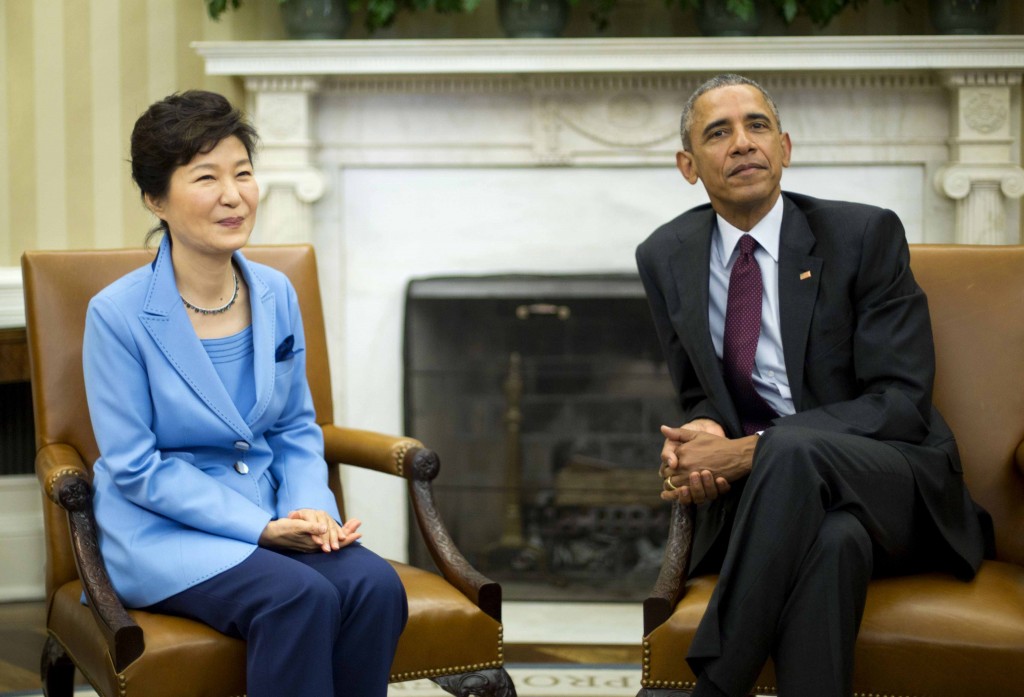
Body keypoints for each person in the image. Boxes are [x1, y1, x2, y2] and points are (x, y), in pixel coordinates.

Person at [636, 74, 992, 697]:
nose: (743, 144)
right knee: (834, 542)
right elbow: (696, 389)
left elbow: (901, 402)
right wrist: (701, 430)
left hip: (896, 483)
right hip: (787, 507)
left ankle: (718, 683)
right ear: (688, 166)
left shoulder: (863, 237)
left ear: (786, 148)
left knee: (792, 447)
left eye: (758, 126)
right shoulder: (665, 255)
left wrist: (752, 449)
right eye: (719, 133)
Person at [82, 90, 408, 697]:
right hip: (162, 532)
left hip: (275, 514)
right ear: (156, 199)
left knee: (375, 585)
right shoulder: (117, 315)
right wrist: (260, 527)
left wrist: (311, 507)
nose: (234, 195)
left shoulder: (277, 293)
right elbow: (133, 466)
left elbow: (293, 427)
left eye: (244, 173)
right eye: (207, 177)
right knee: (298, 596)